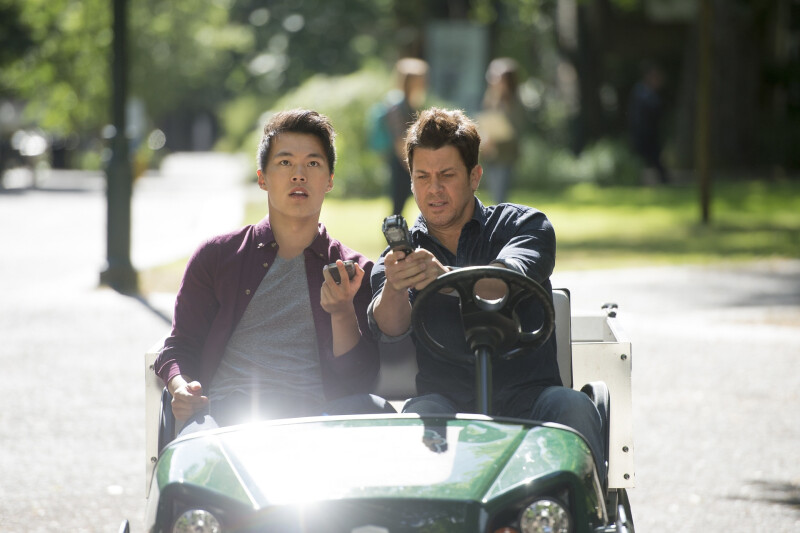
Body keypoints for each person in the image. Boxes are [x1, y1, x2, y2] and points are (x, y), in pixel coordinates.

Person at [368, 107, 606, 485]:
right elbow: (390, 328)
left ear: (475, 176)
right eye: (422, 177)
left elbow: (508, 280)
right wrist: (396, 287)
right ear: (410, 182)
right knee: (415, 420)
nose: (434, 189)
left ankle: (582, 508)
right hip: (444, 401)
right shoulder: (399, 258)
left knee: (573, 406)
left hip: (531, 396)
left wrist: (442, 278)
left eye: (447, 175)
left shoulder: (524, 225)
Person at [154, 109, 394, 435]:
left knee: (376, 411)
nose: (299, 175)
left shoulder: (353, 271)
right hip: (227, 420)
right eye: (285, 162)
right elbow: (179, 346)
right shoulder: (217, 256)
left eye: (313, 163)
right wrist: (180, 387)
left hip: (317, 423)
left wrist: (342, 312)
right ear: (262, 178)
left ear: (329, 180)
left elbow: (357, 380)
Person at [377, 57, 428, 216]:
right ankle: (394, 231)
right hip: (402, 161)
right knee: (398, 203)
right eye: (420, 79)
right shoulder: (397, 105)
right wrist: (412, 165)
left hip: (409, 160)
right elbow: (399, 139)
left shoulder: (411, 103)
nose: (424, 82)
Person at [477, 57, 525, 204]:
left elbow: (514, 130)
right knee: (493, 195)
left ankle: (501, 219)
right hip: (491, 154)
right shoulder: (491, 99)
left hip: (505, 155)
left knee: (500, 197)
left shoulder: (514, 103)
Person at [628, 61, 669, 184]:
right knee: (645, 158)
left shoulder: (649, 93)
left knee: (653, 158)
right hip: (642, 132)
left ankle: (663, 179)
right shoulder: (642, 92)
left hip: (651, 133)